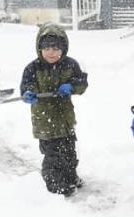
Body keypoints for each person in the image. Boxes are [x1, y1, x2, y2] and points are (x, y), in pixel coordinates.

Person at [20, 23, 88, 197]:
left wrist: (71, 86)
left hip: (65, 118)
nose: (52, 52)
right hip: (45, 121)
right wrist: (29, 93)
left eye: (56, 48)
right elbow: (26, 86)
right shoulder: (33, 68)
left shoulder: (70, 65)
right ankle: (56, 186)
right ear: (40, 48)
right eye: (47, 48)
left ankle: (70, 177)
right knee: (53, 156)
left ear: (63, 48)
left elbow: (81, 83)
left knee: (69, 153)